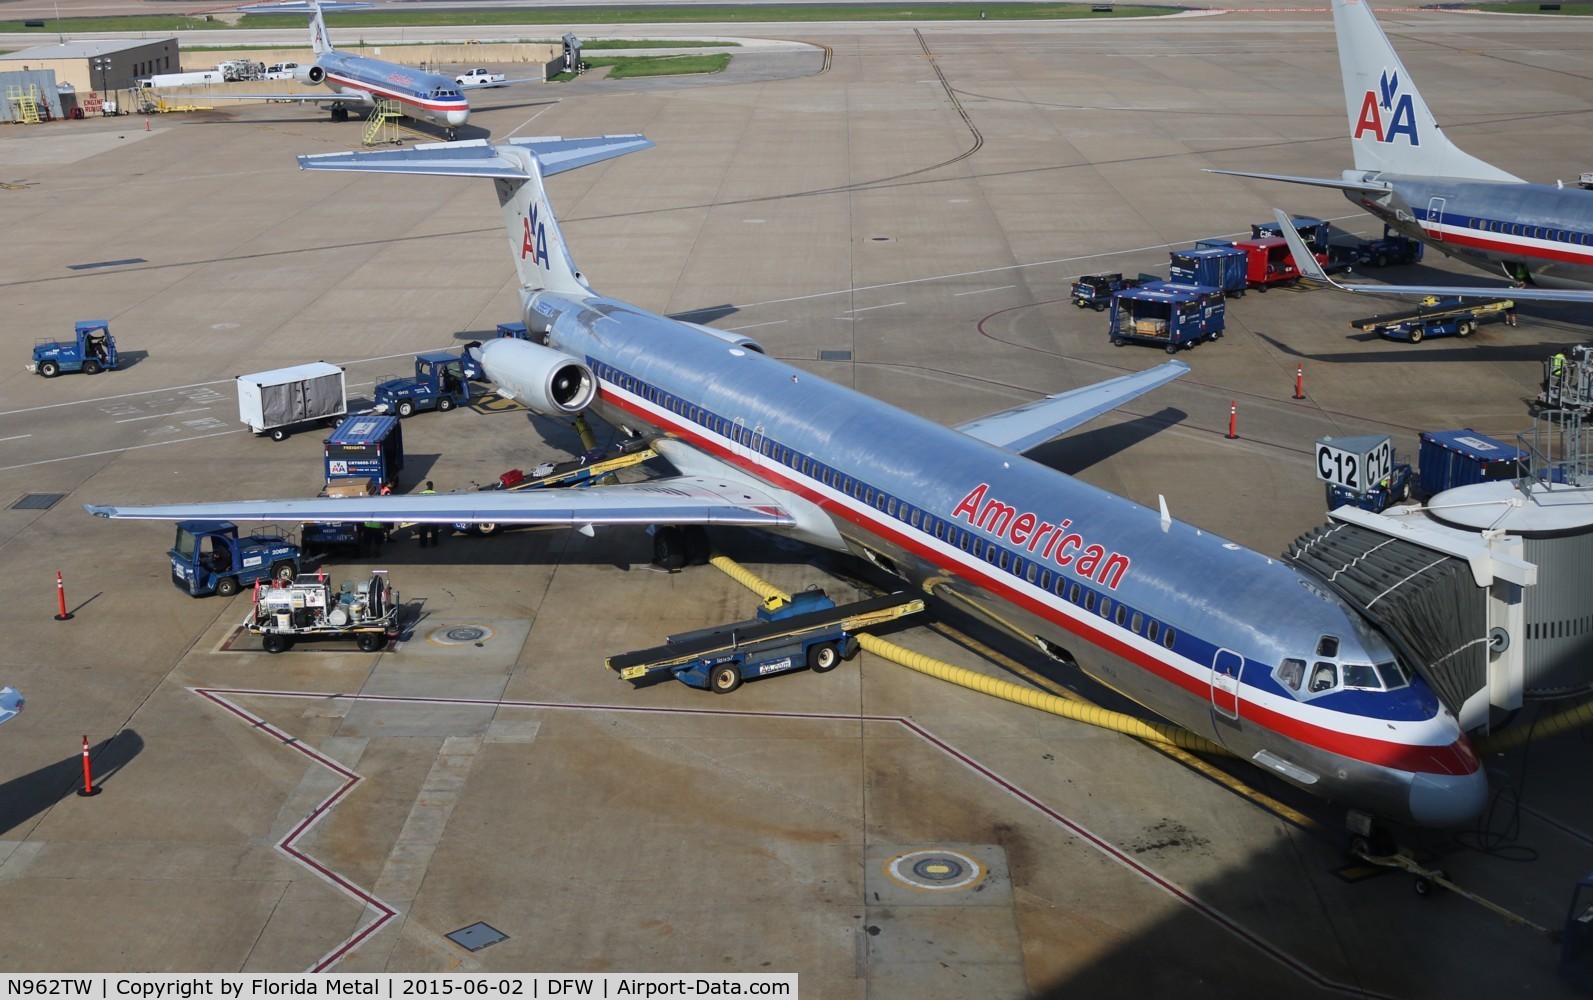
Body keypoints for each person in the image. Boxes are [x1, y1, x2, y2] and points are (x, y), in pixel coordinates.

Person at [417, 481, 440, 547]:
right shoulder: (436, 494)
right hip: (433, 516)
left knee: (423, 531)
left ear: (426, 486)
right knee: (434, 530)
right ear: (432, 486)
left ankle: (423, 544)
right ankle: (434, 543)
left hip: (423, 516)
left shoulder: (421, 494)